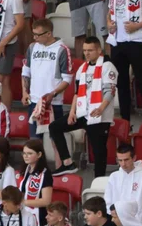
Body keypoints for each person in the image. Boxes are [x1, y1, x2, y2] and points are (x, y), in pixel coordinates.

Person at [48, 36, 116, 175]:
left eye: (90, 50)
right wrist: (72, 112)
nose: (87, 53)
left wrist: (100, 109)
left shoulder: (107, 66)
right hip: (83, 113)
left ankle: (99, 180)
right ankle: (67, 163)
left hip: (99, 116)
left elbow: (110, 92)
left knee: (98, 151)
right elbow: (77, 93)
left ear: (98, 50)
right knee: (55, 127)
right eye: (85, 50)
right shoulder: (82, 68)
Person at [21, 18, 71, 139]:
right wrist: (24, 92)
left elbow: (67, 79)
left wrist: (52, 94)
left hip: (54, 103)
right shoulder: (32, 47)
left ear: (49, 34)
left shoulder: (62, 49)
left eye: (38, 35)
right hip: (34, 101)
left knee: (56, 141)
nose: (35, 38)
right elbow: (25, 71)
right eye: (34, 34)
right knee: (34, 141)